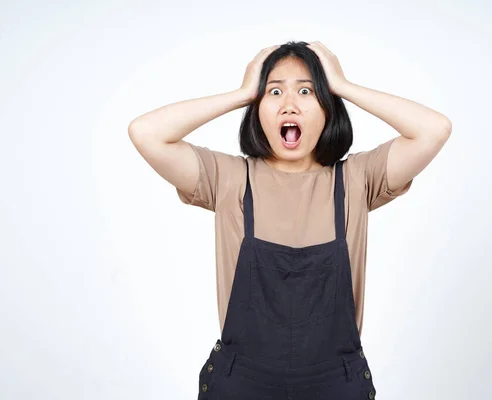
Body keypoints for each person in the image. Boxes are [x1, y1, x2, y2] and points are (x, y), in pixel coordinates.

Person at [128, 40, 452, 400]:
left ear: (327, 107)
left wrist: (343, 86)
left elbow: (433, 129)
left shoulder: (357, 179)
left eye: (306, 91)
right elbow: (146, 133)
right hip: (241, 386)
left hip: (334, 387)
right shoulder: (230, 178)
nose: (289, 104)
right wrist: (241, 93)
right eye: (275, 91)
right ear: (258, 108)